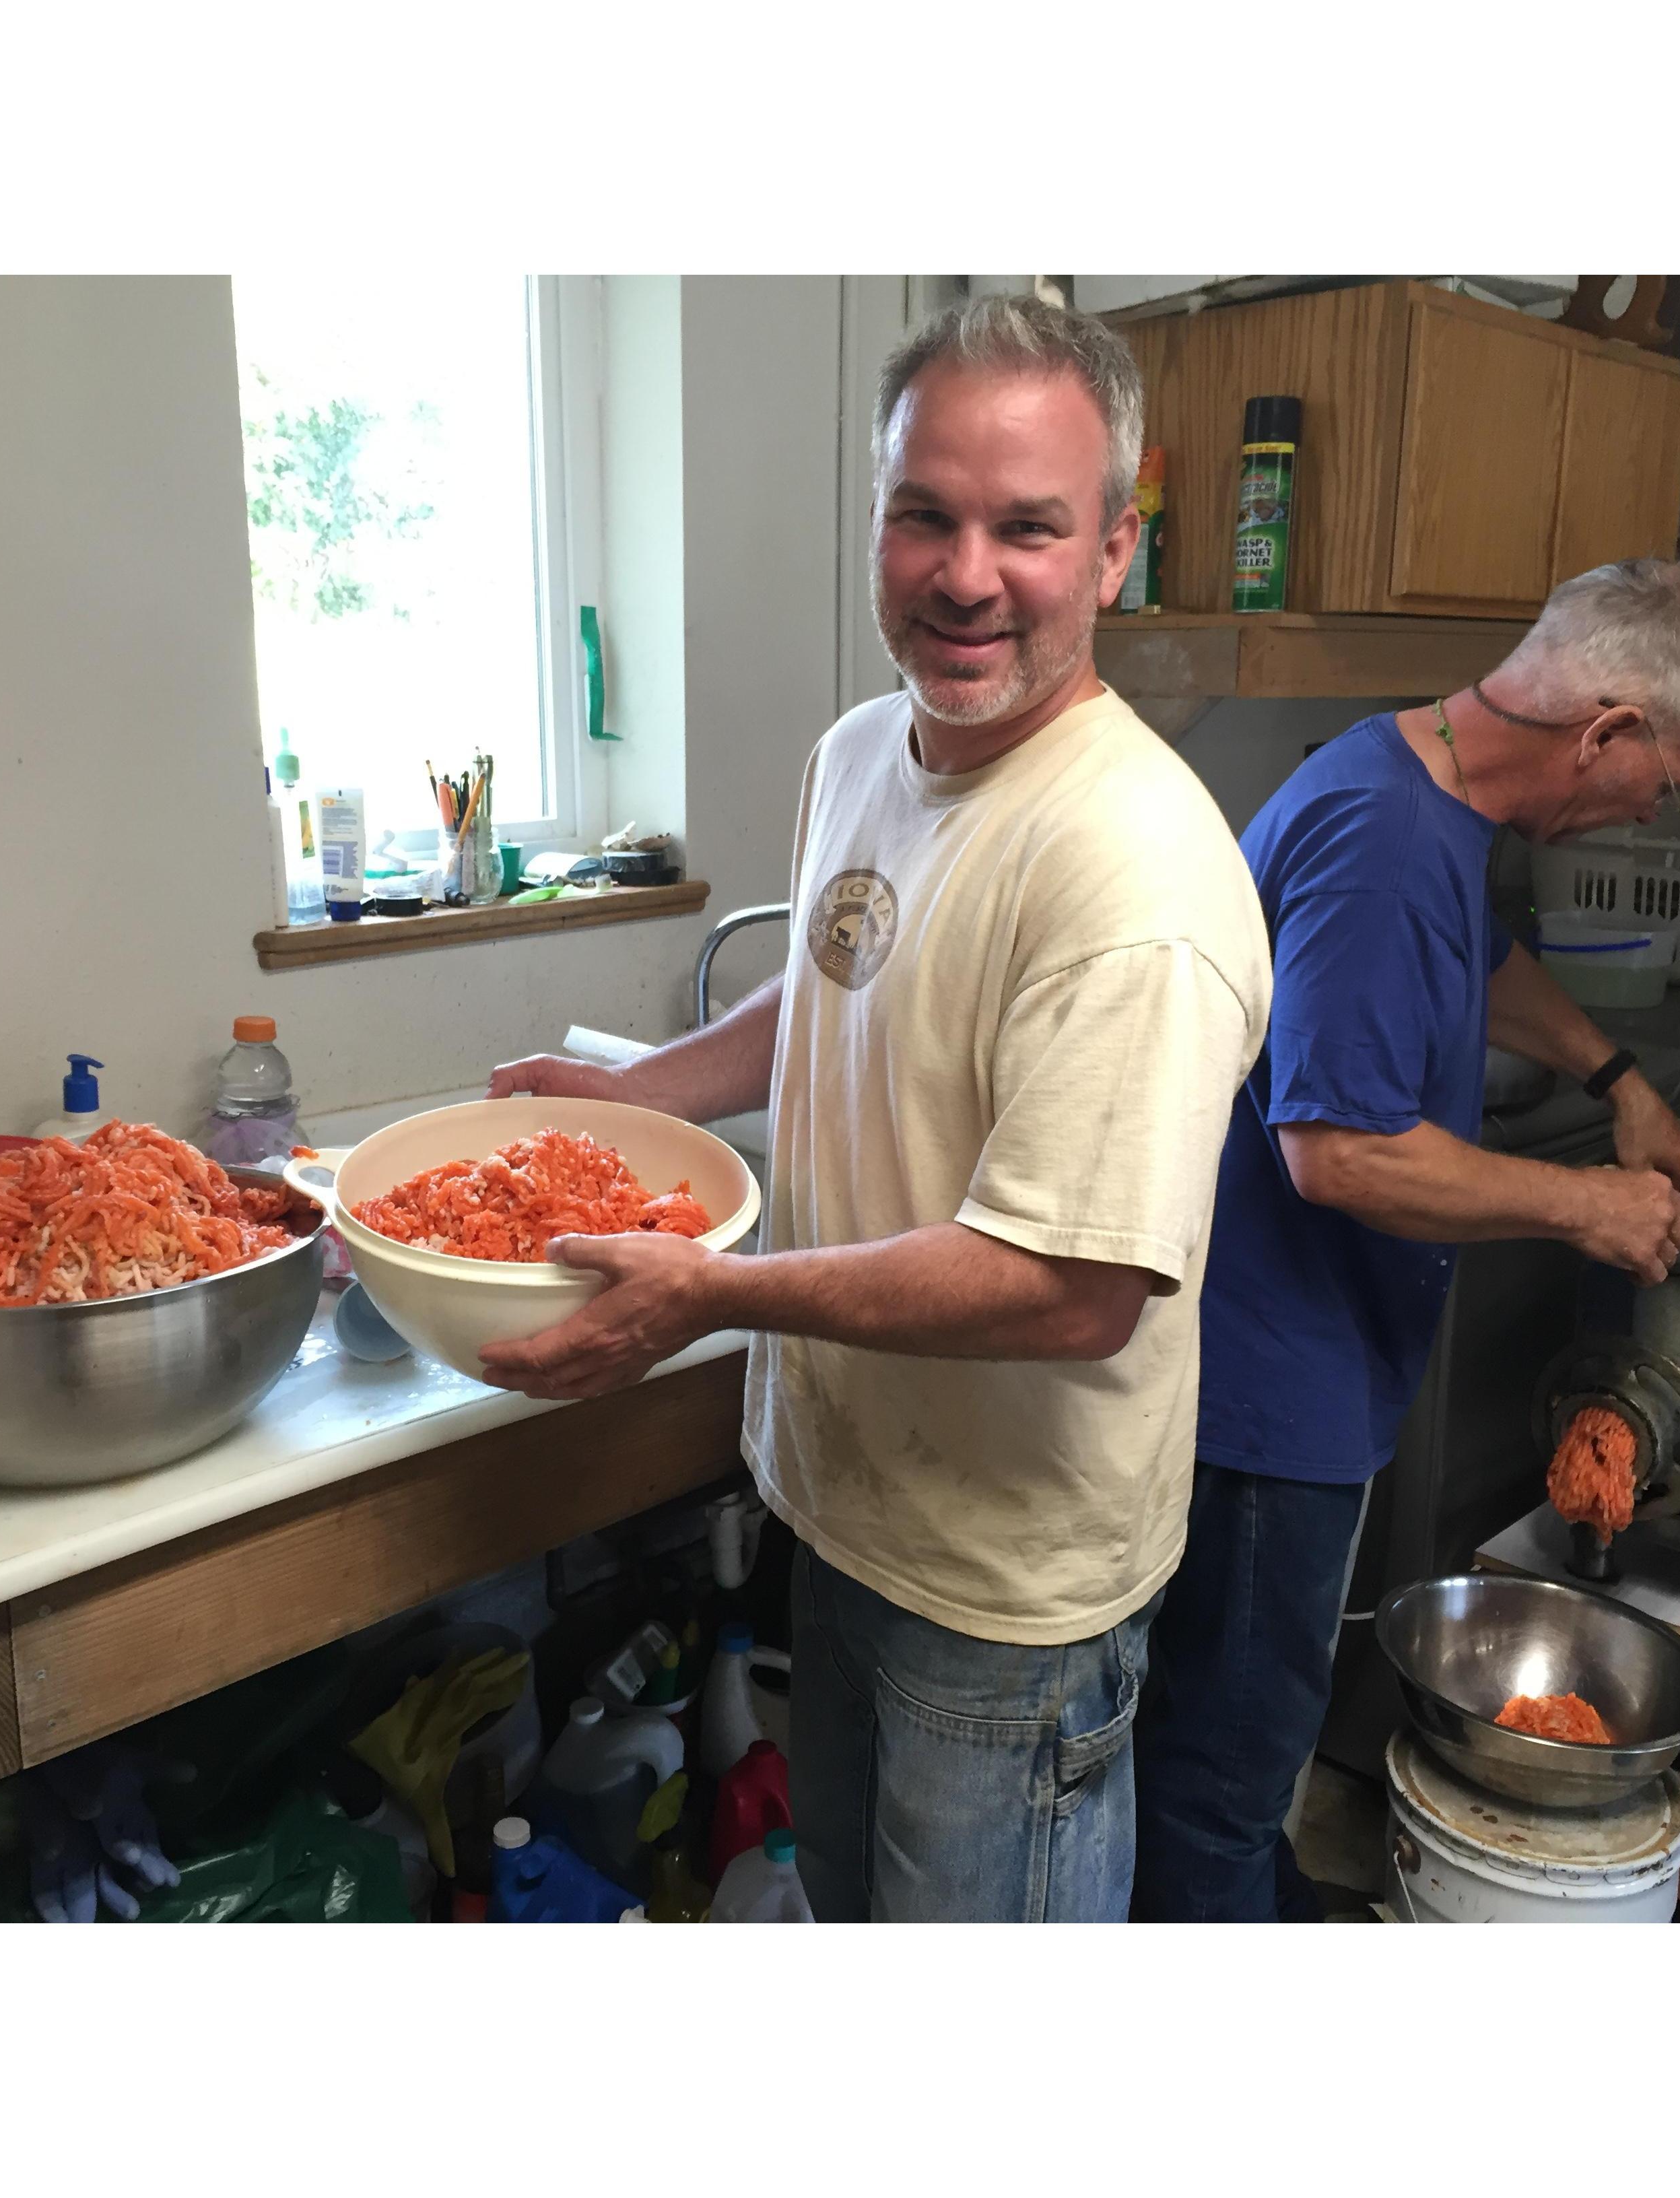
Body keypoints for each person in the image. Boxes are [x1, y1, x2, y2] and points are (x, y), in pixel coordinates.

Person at [477, 294, 1271, 1921]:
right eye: (928, 515)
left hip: (1005, 1594)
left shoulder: (1135, 867)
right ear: (879, 524)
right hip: (841, 1507)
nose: (966, 575)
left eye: (1028, 528)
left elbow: (1070, 1290)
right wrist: (633, 1092)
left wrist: (711, 1298)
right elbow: (839, 995)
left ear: (1116, 550)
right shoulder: (863, 754)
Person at [1131, 558, 1680, 1923]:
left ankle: (1264, 1900)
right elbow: (1337, 1149)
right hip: (1261, 1393)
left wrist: (1622, 1087)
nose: (1660, 809)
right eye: (1670, 783)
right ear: (1604, 731)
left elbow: (1479, 958)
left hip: (1304, 1362)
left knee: (1250, 1734)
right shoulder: (1377, 840)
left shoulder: (1414, 782)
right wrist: (1588, 1204)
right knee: (1226, 1765)